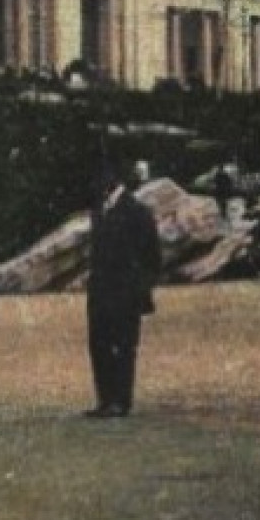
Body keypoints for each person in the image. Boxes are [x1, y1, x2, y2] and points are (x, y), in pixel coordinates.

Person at [85, 160, 163, 418]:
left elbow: (152, 255)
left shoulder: (138, 211)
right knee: (99, 345)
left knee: (124, 346)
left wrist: (140, 289)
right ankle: (106, 399)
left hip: (124, 291)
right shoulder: (99, 210)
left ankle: (120, 400)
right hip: (101, 291)